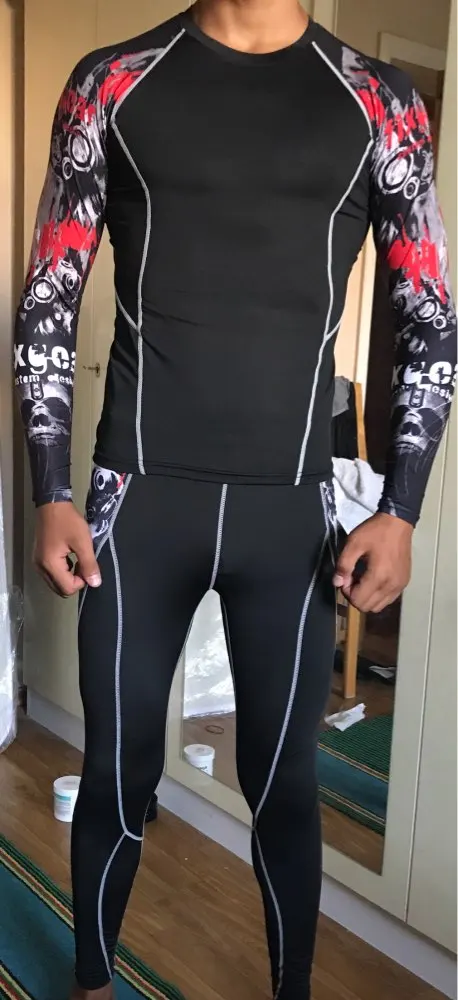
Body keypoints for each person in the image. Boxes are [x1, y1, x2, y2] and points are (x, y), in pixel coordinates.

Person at [14, 0, 456, 997]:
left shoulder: (379, 102)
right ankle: (93, 984)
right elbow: (48, 295)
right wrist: (50, 489)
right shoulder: (111, 81)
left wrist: (401, 507)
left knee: (284, 783)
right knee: (119, 770)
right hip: (135, 501)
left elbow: (428, 314)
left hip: (288, 513)